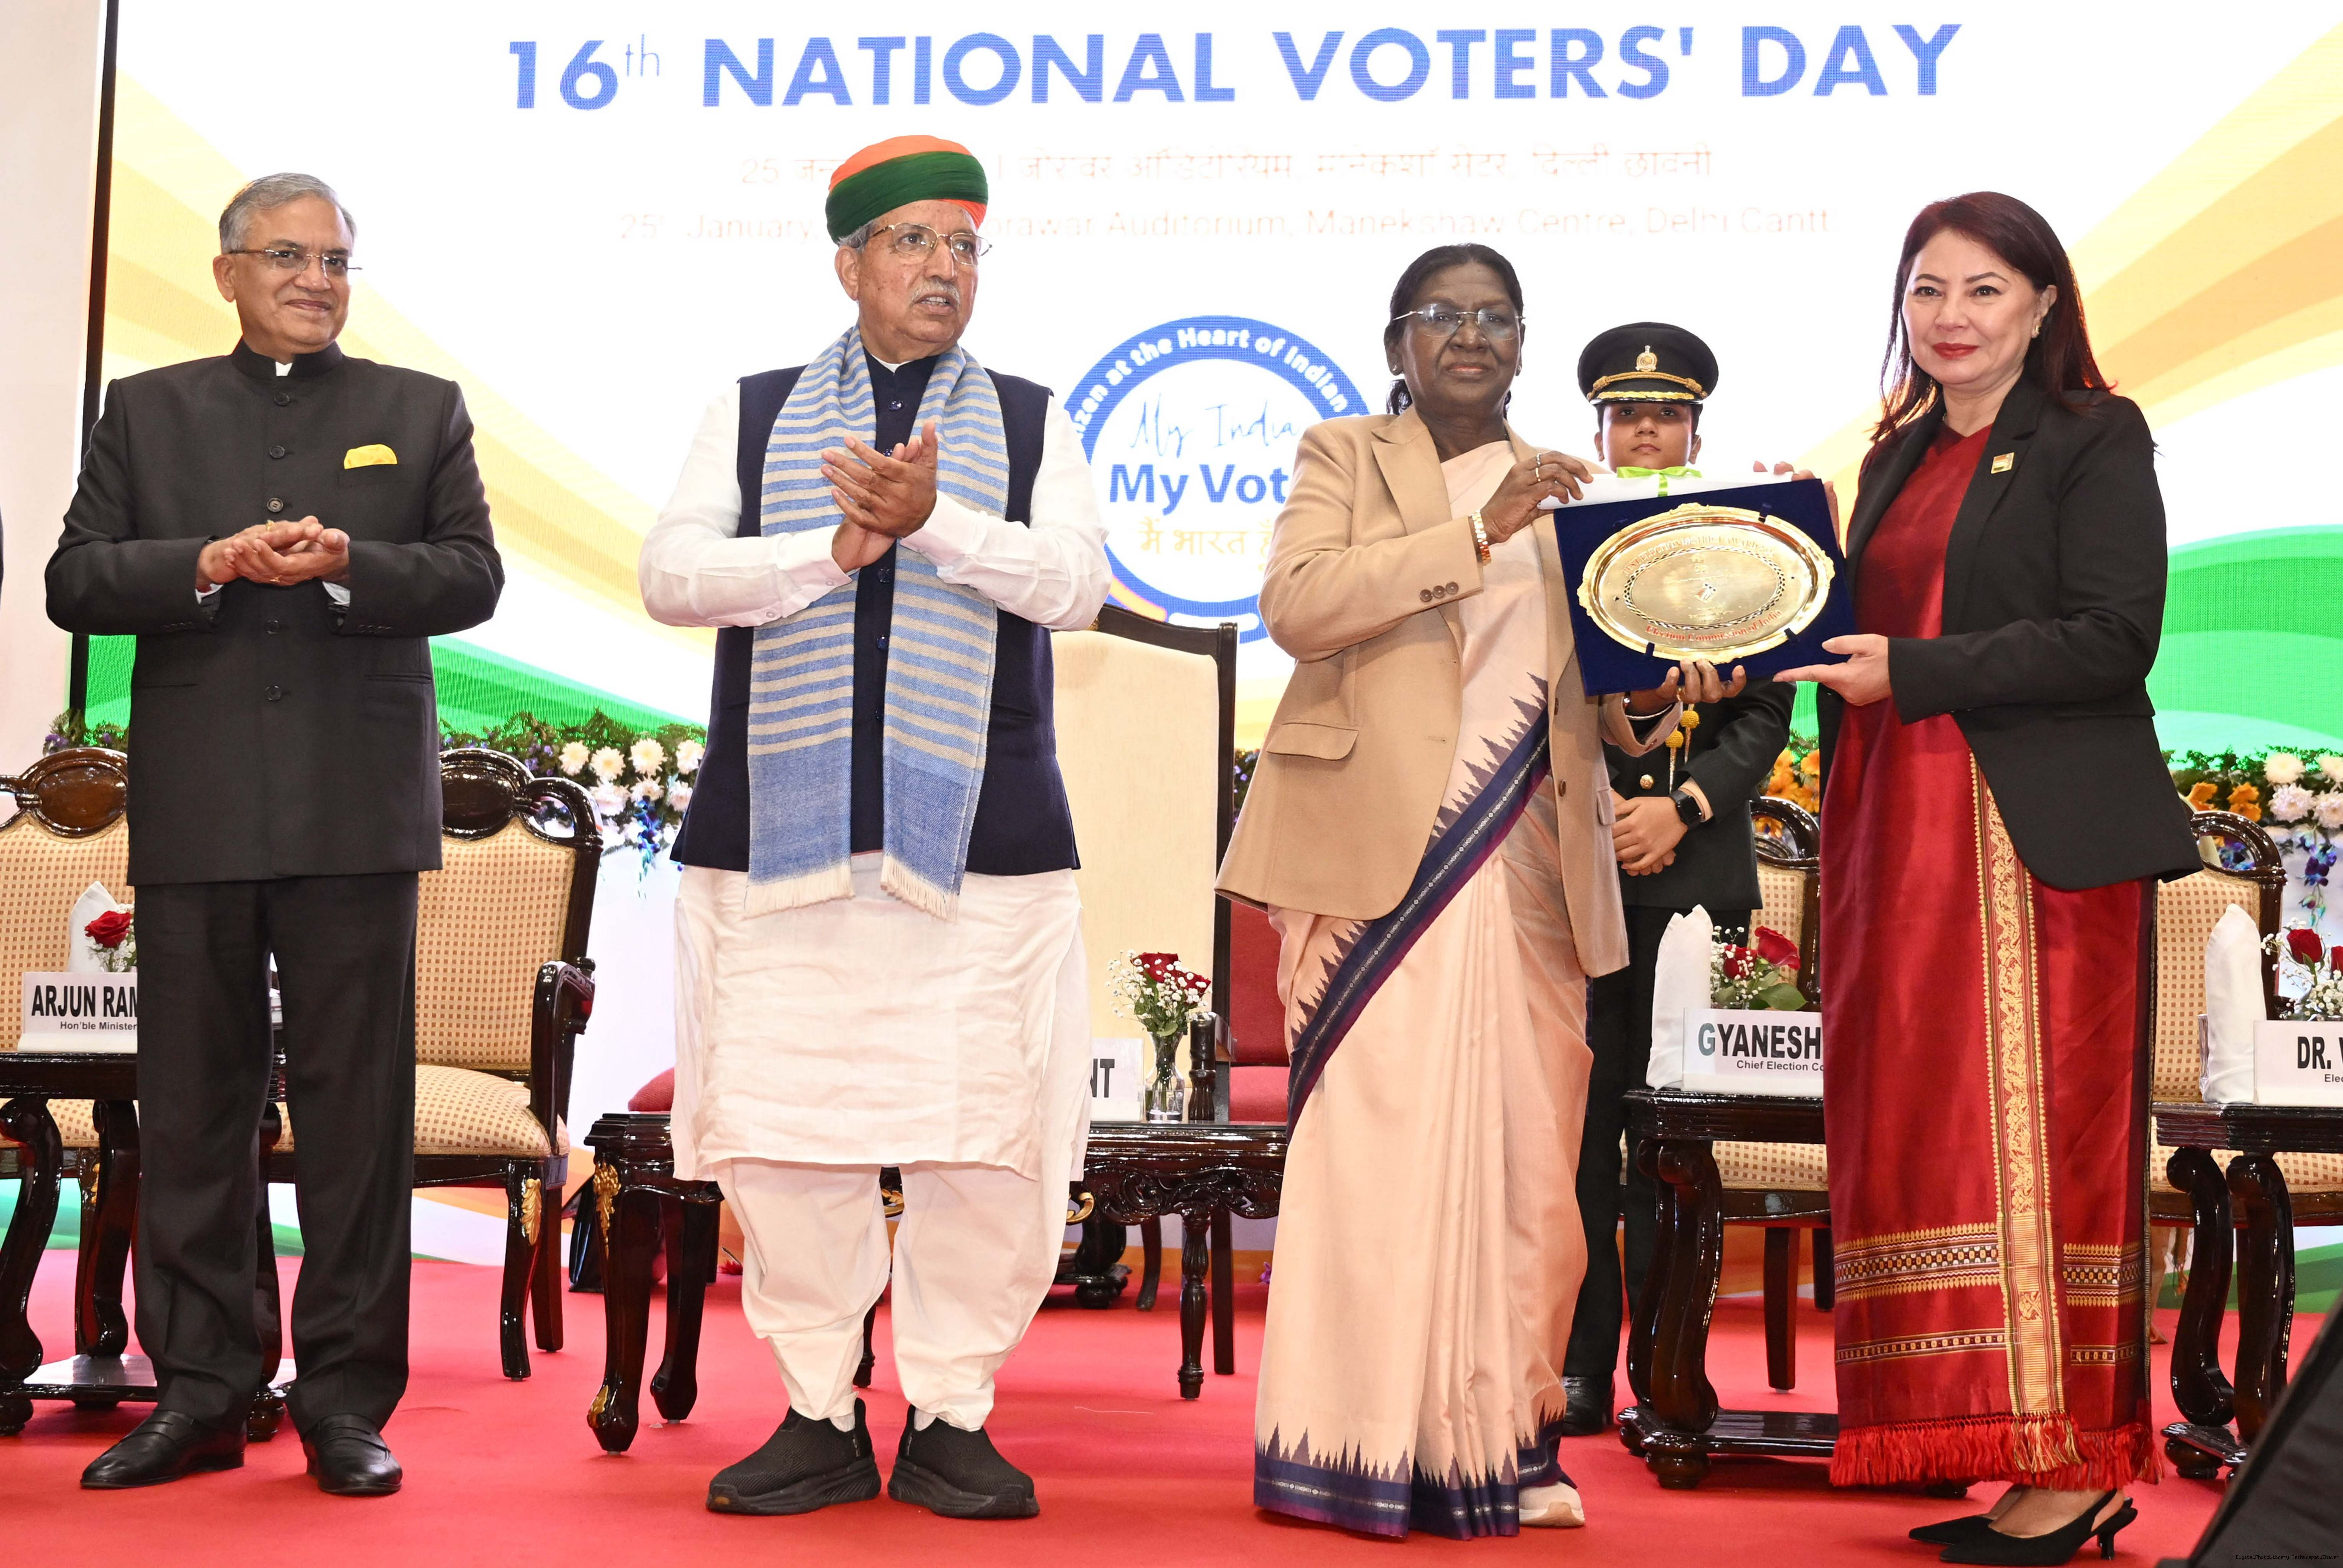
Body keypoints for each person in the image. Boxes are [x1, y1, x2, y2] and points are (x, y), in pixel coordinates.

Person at [636, 135, 1110, 1521]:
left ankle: (954, 1414)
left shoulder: (1028, 420)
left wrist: (935, 522)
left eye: (963, 245)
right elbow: (672, 576)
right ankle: (817, 1411)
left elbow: (1075, 588)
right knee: (790, 1135)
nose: (942, 268)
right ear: (849, 265)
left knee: (986, 1140)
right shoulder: (751, 412)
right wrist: (825, 551)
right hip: (779, 842)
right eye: (913, 242)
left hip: (983, 844)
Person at [1218, 243, 1717, 1540]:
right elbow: (1299, 606)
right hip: (1376, 868)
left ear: (1522, 343)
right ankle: (1351, 1440)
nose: (1470, 335)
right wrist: (1476, 532)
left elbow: (1588, 695)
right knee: (1376, 1156)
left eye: (1496, 317)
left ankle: (1504, 1440)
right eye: (1441, 314)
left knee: (1528, 1172)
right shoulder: (1344, 456)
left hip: (1528, 870)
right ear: (1397, 341)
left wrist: (1665, 689)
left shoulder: (1567, 489)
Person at [46, 173, 502, 1495]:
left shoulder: (419, 408)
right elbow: (77, 579)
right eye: (290, 256)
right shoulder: (149, 409)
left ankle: (347, 1402)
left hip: (357, 807)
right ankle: (202, 1390)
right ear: (229, 272)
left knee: (358, 1117)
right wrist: (206, 562)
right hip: (199, 805)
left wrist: (353, 562)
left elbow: (473, 575)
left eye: (337, 260)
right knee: (194, 1113)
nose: (317, 279)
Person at [1777, 192, 2197, 1564]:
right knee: (1923, 1134)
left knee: (2038, 1139)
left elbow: (2111, 638)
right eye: (1925, 291)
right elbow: (1853, 629)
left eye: (1982, 290)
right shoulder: (1894, 449)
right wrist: (1749, 616)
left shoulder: (2090, 435)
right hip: (1895, 834)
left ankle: (2077, 1460)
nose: (1948, 318)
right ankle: (2004, 1445)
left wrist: (1915, 670)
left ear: (2042, 304)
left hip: (2028, 847)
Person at [1559, 324, 1795, 1434]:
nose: (1646, 430)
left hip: (1695, 877)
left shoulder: (1742, 541)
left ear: (1696, 428)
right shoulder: (1564, 540)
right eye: (1626, 415)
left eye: (1665, 415)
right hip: (1584, 874)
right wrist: (1615, 811)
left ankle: (1666, 1367)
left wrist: (1681, 807)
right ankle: (1574, 1365)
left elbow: (1768, 708)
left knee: (1671, 1142)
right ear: (1599, 428)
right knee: (1578, 1143)